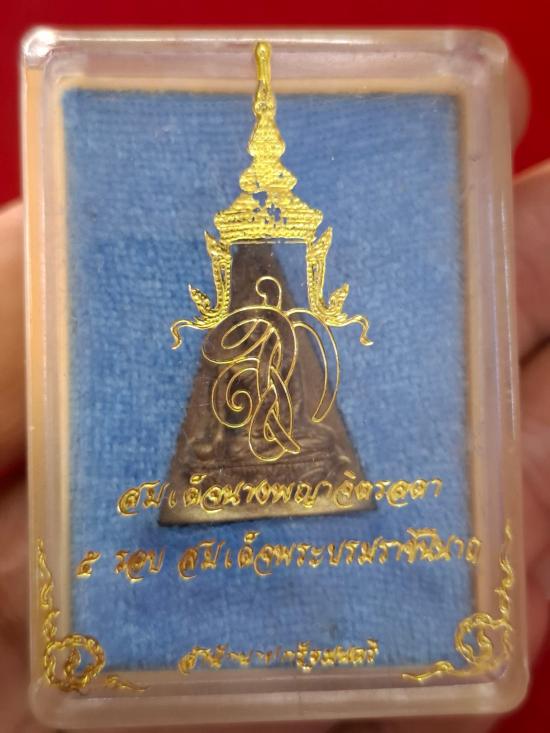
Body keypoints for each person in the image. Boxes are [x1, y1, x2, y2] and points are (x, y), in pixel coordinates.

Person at [0, 59, 547, 733]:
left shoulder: (284, 329)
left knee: (286, 418)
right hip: (236, 448)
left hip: (284, 450)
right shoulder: (252, 324)